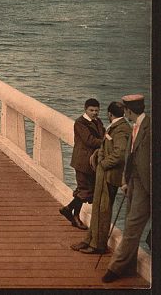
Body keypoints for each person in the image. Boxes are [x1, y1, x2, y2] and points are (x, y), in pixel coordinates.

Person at [102, 94, 151, 283]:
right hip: (134, 183)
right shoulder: (135, 127)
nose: (125, 113)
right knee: (132, 226)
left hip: (146, 187)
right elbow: (130, 158)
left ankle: (115, 268)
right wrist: (125, 181)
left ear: (129, 110)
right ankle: (129, 267)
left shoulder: (150, 128)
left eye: (125, 110)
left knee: (131, 227)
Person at [70, 101, 131, 254]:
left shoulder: (121, 129)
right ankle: (89, 240)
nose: (96, 113)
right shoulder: (116, 127)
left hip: (109, 174)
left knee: (102, 210)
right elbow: (105, 145)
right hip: (103, 173)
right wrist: (99, 154)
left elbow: (119, 154)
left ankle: (98, 245)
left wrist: (103, 164)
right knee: (97, 208)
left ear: (109, 114)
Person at [59, 98, 104, 229]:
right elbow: (89, 140)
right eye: (91, 110)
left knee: (83, 190)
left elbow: (104, 134)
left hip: (91, 163)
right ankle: (72, 213)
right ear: (85, 109)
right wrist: (107, 142)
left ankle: (71, 212)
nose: (94, 113)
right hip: (82, 162)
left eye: (97, 110)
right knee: (85, 191)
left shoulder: (98, 122)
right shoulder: (80, 123)